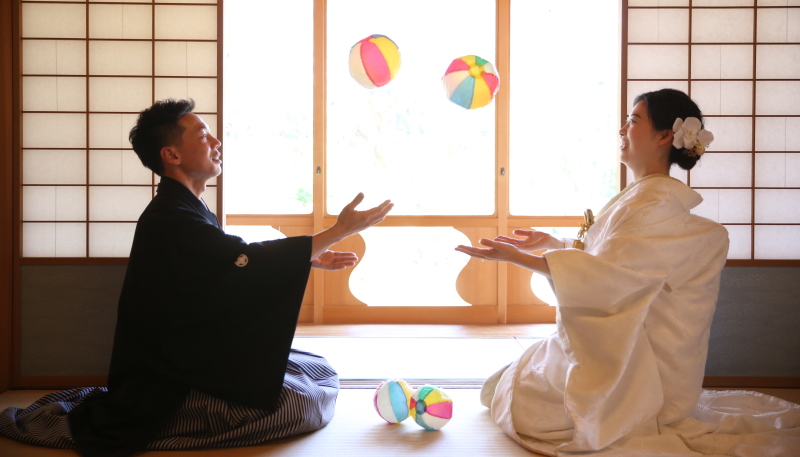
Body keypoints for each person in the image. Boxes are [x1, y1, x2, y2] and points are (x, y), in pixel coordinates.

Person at [0, 99, 393, 456]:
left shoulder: (186, 208)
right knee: (301, 403)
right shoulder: (169, 217)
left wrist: (305, 258)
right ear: (171, 154)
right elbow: (241, 260)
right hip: (168, 375)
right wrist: (337, 231)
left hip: (190, 353)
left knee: (313, 368)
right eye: (203, 135)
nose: (216, 142)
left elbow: (227, 264)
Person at [457, 89, 800, 455]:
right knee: (508, 383)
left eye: (634, 121)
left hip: (640, 363)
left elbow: (609, 278)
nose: (622, 129)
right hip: (625, 343)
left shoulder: (655, 203)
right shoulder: (643, 196)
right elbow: (608, 259)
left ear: (665, 135)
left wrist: (519, 259)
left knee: (524, 403)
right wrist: (554, 242)